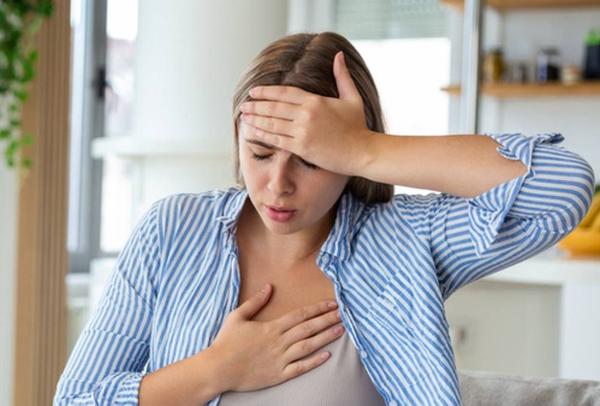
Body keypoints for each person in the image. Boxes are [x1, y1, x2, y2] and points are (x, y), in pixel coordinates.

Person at [54, 32, 595, 406]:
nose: (278, 184)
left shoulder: (404, 240)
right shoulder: (173, 230)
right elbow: (76, 399)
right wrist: (218, 369)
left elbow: (563, 188)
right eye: (260, 153)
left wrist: (366, 149)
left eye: (311, 160)